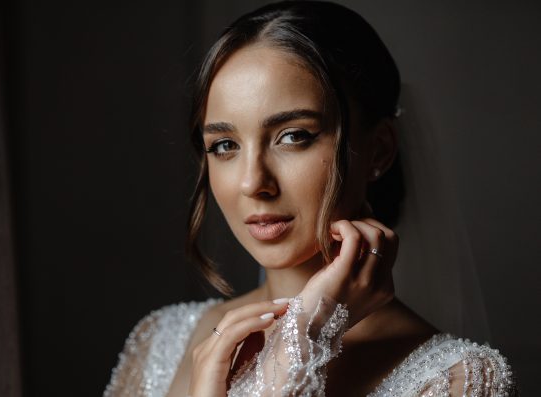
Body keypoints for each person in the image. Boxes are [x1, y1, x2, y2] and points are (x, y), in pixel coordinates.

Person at [104, 1, 516, 396]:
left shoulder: (459, 381)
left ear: (379, 150)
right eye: (225, 145)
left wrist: (306, 335)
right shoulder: (161, 339)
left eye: (293, 136)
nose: (252, 182)